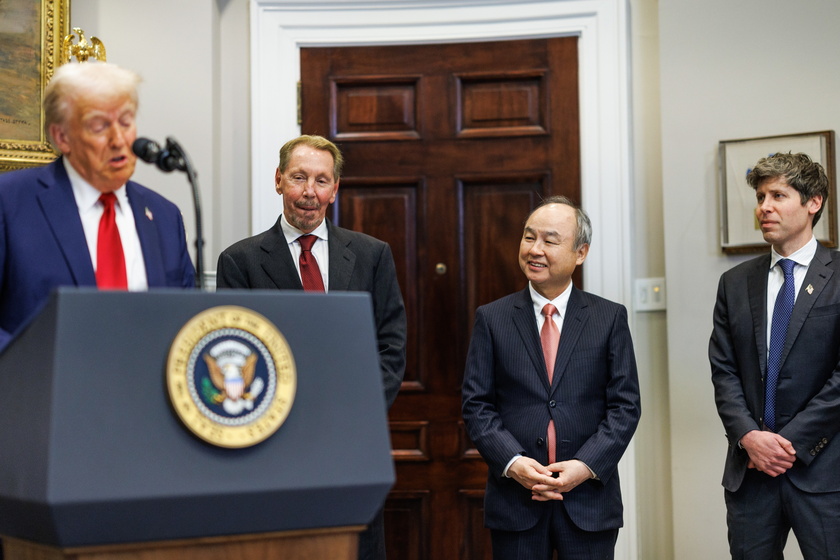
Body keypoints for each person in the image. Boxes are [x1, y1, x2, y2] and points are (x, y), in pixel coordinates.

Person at [215, 134, 407, 560]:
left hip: (352, 443)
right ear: (279, 180)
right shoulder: (240, 262)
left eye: (321, 180)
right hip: (272, 449)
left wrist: (354, 412)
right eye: (299, 177)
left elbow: (391, 346)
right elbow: (234, 353)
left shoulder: (372, 255)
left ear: (335, 189)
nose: (309, 192)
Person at [461, 196, 641, 560]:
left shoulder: (608, 318)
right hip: (516, 501)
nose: (535, 250)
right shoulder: (492, 318)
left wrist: (585, 466)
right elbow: (477, 405)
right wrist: (513, 463)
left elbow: (625, 407)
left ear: (580, 252)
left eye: (550, 240)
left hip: (589, 501)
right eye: (529, 238)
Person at [0, 62, 195, 352]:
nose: (119, 140)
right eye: (99, 126)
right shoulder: (10, 201)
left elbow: (186, 321)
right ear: (62, 137)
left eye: (126, 122)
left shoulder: (164, 216)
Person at [709, 152, 840, 559]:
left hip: (824, 473)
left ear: (813, 202)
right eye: (761, 196)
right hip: (751, 475)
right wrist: (749, 437)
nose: (764, 207)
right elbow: (724, 371)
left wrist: (786, 444)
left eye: (778, 196)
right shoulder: (734, 283)